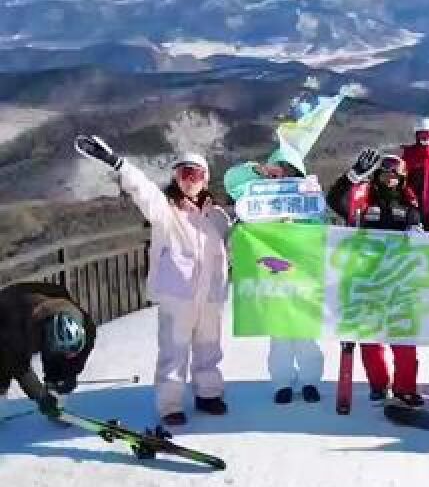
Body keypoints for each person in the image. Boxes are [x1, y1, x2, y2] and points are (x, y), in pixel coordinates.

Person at [75, 135, 231, 426]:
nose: (189, 180)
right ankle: (170, 404)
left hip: (209, 293)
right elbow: (143, 190)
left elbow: (238, 239)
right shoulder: (165, 210)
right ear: (176, 177)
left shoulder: (219, 217)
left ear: (205, 178)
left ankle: (209, 393)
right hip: (177, 294)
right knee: (174, 350)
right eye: (184, 173)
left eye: (195, 174)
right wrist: (117, 163)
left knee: (209, 346)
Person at [223, 146, 324, 407]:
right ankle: (282, 383)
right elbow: (231, 181)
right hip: (272, 276)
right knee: (279, 333)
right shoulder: (257, 194)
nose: (282, 175)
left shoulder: (306, 196)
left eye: (288, 170)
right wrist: (253, 170)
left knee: (305, 331)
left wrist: (299, 223)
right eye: (278, 170)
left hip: (302, 274)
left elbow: (318, 227)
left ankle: (311, 380)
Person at [326, 148, 426, 408]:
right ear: (378, 175)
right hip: (367, 279)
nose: (390, 176)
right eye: (386, 172)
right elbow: (335, 201)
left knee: (403, 338)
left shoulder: (409, 204)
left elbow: (423, 234)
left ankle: (405, 388)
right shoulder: (363, 199)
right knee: (371, 338)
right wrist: (351, 177)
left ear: (403, 178)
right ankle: (379, 385)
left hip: (399, 280)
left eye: (396, 173)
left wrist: (420, 236)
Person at [0, 282, 96, 421]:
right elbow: (20, 367)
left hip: (39, 313)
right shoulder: (16, 329)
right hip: (8, 316)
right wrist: (41, 396)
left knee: (62, 367)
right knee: (4, 362)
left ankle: (57, 402)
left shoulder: (84, 325)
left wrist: (68, 376)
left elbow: (79, 352)